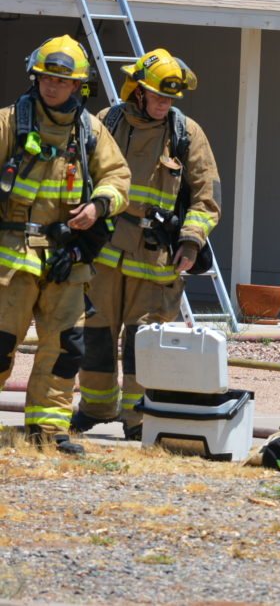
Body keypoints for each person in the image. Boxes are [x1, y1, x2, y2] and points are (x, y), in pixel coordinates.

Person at [71, 48, 221, 440]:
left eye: (170, 98)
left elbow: (207, 198)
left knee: (146, 340)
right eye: (157, 96)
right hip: (103, 251)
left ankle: (138, 417)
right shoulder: (107, 122)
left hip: (155, 257)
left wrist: (191, 242)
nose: (164, 104)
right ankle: (95, 407)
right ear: (137, 91)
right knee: (95, 332)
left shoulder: (186, 134)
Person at [0, 35, 130, 454]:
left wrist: (97, 207)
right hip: (11, 257)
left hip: (66, 259)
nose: (51, 86)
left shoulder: (89, 131)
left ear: (77, 85)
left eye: (61, 81)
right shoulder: (9, 124)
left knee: (65, 349)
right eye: (45, 78)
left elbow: (118, 178)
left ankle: (48, 430)